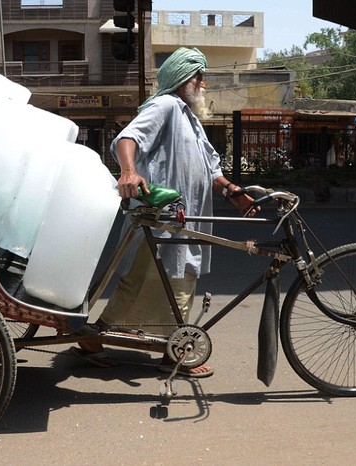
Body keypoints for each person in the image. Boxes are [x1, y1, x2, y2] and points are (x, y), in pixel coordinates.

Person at [72, 47, 258, 378]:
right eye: (200, 77)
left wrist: (233, 192)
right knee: (181, 280)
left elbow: (210, 168)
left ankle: (95, 335)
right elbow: (126, 138)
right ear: (185, 78)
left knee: (140, 280)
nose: (203, 84)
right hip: (166, 217)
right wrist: (128, 171)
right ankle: (176, 354)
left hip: (175, 218)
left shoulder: (190, 118)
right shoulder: (166, 105)